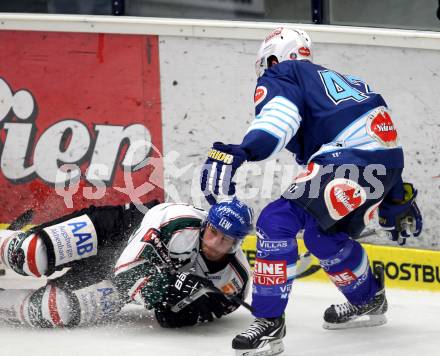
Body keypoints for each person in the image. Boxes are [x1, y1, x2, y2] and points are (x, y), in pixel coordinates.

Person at [200, 28, 423, 356]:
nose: (266, 70)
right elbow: (382, 136)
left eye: (267, 64)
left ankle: (269, 323)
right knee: (322, 236)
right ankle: (369, 299)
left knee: (276, 221)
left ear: (274, 58)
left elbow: (279, 119)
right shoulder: (349, 83)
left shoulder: (283, 72)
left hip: (349, 160)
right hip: (382, 164)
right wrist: (394, 194)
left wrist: (243, 150)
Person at [0, 197, 253, 329]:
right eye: (214, 233)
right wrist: (167, 286)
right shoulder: (178, 223)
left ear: (238, 244)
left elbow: (167, 319)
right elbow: (126, 270)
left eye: (227, 240)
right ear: (205, 224)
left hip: (122, 285)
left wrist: (180, 305)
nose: (216, 244)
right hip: (116, 230)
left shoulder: (235, 282)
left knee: (53, 309)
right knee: (31, 252)